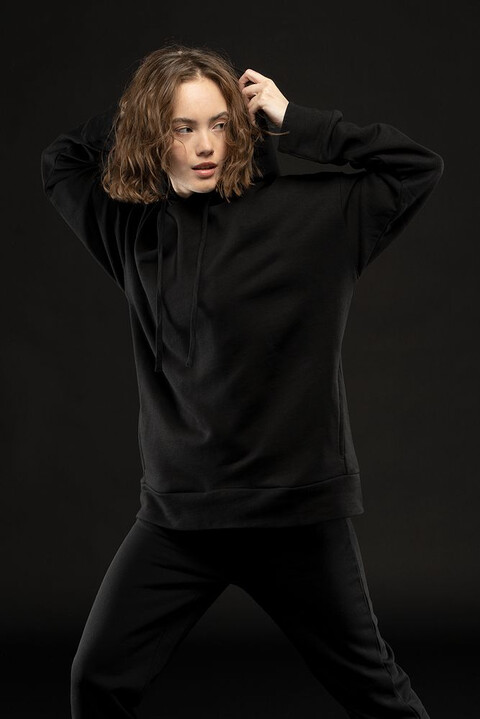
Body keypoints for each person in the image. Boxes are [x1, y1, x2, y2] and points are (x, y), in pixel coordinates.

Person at [40, 43, 444, 719]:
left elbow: (416, 168)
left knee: (378, 695)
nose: (205, 146)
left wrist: (297, 120)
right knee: (96, 680)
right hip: (179, 521)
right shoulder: (133, 229)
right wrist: (145, 106)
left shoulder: (318, 218)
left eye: (220, 124)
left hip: (295, 519)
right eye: (182, 127)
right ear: (155, 135)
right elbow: (62, 161)